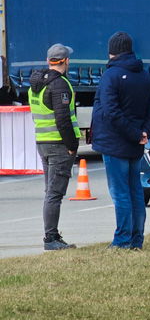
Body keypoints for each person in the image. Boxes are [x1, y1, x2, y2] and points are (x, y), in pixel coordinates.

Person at [91, 32, 150, 250]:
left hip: (115, 142)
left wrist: (134, 133)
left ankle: (122, 240)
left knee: (120, 193)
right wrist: (144, 132)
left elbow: (111, 112)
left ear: (112, 51)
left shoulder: (110, 76)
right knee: (135, 191)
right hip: (135, 143)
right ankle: (137, 239)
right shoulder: (145, 74)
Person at [29, 43, 80, 250]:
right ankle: (51, 239)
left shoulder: (37, 83)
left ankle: (52, 235)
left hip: (43, 142)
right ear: (66, 61)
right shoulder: (60, 85)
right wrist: (71, 145)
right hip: (59, 145)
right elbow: (63, 119)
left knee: (50, 192)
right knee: (54, 194)